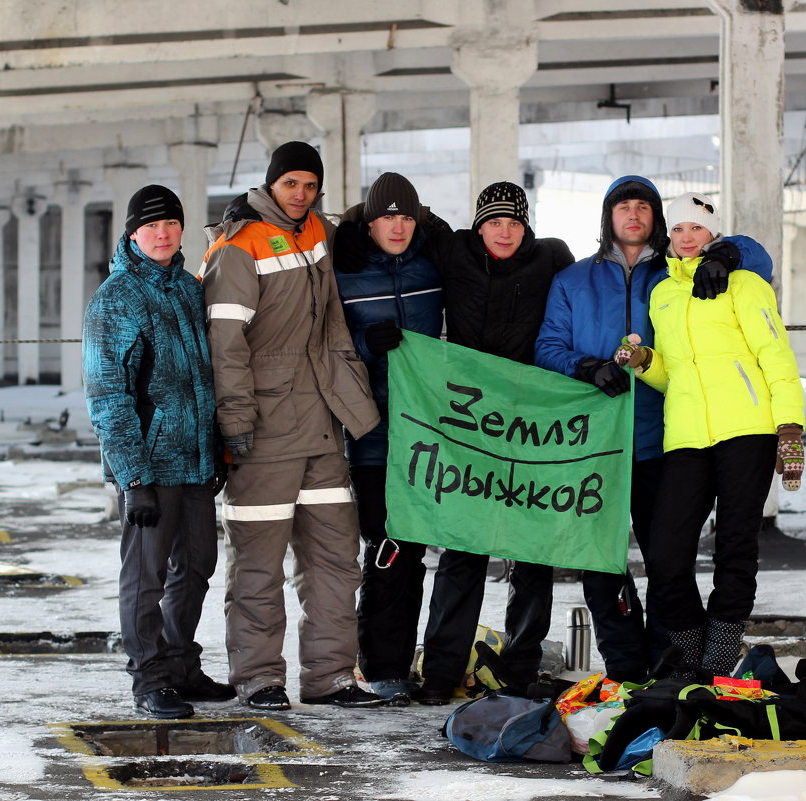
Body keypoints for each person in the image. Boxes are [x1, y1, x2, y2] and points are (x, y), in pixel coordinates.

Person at [532, 176, 774, 688]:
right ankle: (623, 665)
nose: (634, 215)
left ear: (658, 219)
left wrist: (726, 255)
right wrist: (588, 366)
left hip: (662, 437)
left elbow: (760, 261)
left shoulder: (677, 272)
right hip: (593, 443)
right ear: (607, 217)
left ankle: (672, 664)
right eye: (623, 207)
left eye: (644, 206)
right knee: (600, 561)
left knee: (670, 558)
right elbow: (547, 347)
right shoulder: (574, 280)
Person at [198, 141, 385, 711]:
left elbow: (376, 228)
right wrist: (234, 422)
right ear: (271, 185)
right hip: (264, 432)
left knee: (334, 559)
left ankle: (331, 678)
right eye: (290, 185)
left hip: (323, 426)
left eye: (310, 186)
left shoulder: (317, 233)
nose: (301, 195)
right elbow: (224, 344)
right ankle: (258, 677)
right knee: (257, 562)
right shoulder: (238, 245)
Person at [614, 191, 804, 678]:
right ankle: (692, 654)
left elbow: (776, 357)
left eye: (695, 228)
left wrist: (789, 427)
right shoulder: (663, 293)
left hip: (748, 430)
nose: (686, 238)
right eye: (677, 229)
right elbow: (672, 374)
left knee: (735, 547)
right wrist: (643, 362)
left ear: (713, 233)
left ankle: (716, 662)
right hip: (687, 437)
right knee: (665, 552)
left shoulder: (745, 284)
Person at [412, 181, 575, 704]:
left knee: (532, 553)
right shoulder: (452, 249)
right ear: (478, 225)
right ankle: (440, 673)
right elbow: (385, 218)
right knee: (463, 551)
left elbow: (606, 274)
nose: (503, 232)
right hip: (469, 430)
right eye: (493, 222)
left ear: (526, 226)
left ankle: (520, 670)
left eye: (513, 223)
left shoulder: (551, 259)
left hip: (529, 429)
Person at [82, 184, 233, 719]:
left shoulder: (191, 289)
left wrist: (215, 450)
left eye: (171, 223)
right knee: (145, 577)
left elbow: (203, 378)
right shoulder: (117, 298)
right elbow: (107, 394)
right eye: (151, 226)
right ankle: (149, 680)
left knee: (196, 567)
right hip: (149, 464)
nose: (163, 233)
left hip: (193, 460)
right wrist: (132, 477)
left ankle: (180, 667)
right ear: (132, 234)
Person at [331, 172, 445, 706]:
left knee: (416, 548)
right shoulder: (346, 272)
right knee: (386, 547)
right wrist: (364, 341)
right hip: (374, 434)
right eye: (387, 217)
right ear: (370, 221)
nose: (397, 226)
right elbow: (324, 340)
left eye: (406, 216)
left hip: (429, 434)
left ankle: (406, 662)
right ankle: (379, 665)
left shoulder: (433, 261)